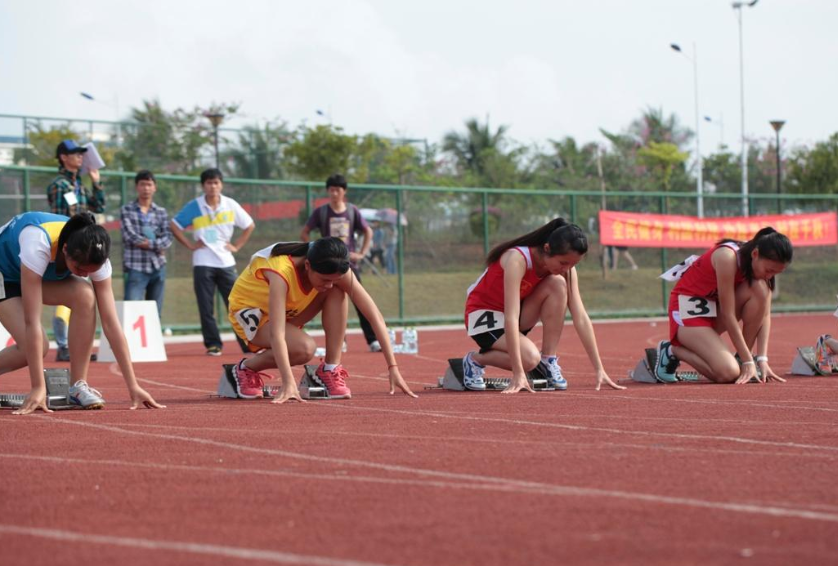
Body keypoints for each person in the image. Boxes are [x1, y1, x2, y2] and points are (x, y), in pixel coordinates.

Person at [0, 211, 164, 414]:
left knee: (85, 295)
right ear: (65, 249)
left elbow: (111, 323)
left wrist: (133, 385)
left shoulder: (96, 257)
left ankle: (78, 386)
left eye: (90, 270)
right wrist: (38, 387)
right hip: (3, 274)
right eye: (79, 268)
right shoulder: (37, 242)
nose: (85, 274)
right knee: (36, 345)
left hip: (31, 272)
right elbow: (32, 321)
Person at [226, 237, 416, 403]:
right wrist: (288, 382)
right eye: (325, 279)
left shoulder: (336, 269)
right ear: (308, 265)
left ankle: (330, 368)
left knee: (338, 290)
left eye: (334, 278)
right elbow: (277, 334)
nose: (329, 284)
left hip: (288, 310)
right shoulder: (280, 272)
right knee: (304, 349)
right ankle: (245, 369)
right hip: (253, 314)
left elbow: (374, 315)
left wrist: (393, 367)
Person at [461, 218, 624, 393]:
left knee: (558, 284)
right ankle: (474, 360)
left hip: (515, 316)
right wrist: (518, 372)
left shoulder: (565, 270)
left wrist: (599, 368)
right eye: (563, 263)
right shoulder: (517, 259)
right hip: (483, 316)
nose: (567, 269)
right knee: (530, 359)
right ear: (547, 248)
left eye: (573, 264)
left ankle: (548, 360)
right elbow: (511, 316)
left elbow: (581, 317)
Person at [653, 227, 793, 385]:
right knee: (728, 373)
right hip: (686, 314)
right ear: (755, 254)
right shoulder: (727, 257)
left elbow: (764, 315)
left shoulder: (758, 266)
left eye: (775, 273)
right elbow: (728, 315)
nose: (769, 276)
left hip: (712, 311)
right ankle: (672, 350)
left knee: (760, 289)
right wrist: (749, 362)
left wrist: (762, 359)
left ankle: (741, 359)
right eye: (768, 270)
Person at [170, 168, 255, 356]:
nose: (213, 186)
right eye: (209, 183)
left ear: (221, 184)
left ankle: (247, 344)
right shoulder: (195, 206)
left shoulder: (230, 204)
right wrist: (190, 245)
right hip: (203, 261)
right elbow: (174, 225)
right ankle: (213, 344)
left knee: (236, 305)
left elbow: (249, 225)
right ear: (203, 186)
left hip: (226, 261)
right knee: (205, 306)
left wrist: (237, 246)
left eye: (216, 182)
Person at [300, 174, 380, 352]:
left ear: (344, 191)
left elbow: (368, 231)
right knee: (331, 303)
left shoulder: (352, 211)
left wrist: (361, 253)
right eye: (331, 190)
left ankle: (373, 340)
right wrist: (313, 250)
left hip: (349, 266)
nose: (334, 193)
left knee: (361, 303)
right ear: (328, 191)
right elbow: (305, 232)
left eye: (338, 190)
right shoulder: (321, 212)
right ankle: (339, 341)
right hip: (326, 267)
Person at [46, 139, 106, 362]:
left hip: (84, 246)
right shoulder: (59, 185)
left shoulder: (79, 184)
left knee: (79, 297)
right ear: (63, 157)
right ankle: (63, 346)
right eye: (76, 154)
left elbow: (99, 207)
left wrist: (96, 181)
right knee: (68, 297)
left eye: (82, 154)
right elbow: (64, 218)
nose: (80, 157)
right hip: (68, 248)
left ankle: (73, 346)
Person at [120, 170, 172, 318]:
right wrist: (157, 245)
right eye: (142, 184)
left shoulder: (161, 212)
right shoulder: (127, 210)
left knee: (155, 313)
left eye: (149, 184)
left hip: (158, 266)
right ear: (137, 187)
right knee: (131, 311)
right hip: (136, 266)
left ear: (155, 187)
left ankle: (153, 342)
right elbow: (129, 236)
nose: (146, 188)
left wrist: (148, 244)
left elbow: (168, 237)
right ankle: (127, 342)